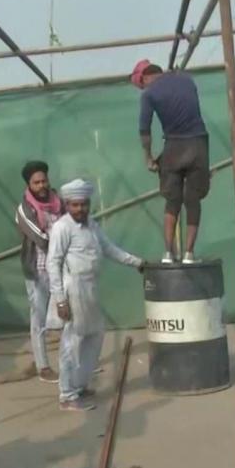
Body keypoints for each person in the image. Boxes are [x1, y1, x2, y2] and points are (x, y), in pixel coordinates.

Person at [46, 178, 143, 411]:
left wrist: (137, 262)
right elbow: (53, 263)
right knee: (72, 340)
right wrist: (60, 300)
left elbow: (108, 248)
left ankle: (79, 385)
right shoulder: (62, 227)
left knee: (95, 335)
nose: (80, 209)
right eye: (75, 205)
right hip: (73, 288)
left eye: (84, 204)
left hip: (90, 287)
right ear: (67, 205)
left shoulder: (91, 224)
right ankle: (67, 395)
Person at [131, 59, 210, 264]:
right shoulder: (187, 80)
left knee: (172, 201)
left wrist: (149, 157)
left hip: (174, 146)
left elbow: (145, 130)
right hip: (198, 143)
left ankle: (169, 253)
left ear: (145, 77)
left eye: (141, 84)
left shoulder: (149, 94)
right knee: (193, 201)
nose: (143, 88)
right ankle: (189, 254)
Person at [15, 160, 64, 383]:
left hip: (61, 269)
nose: (42, 185)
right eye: (37, 182)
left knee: (66, 315)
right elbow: (40, 238)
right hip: (38, 271)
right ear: (29, 184)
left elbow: (68, 226)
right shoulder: (24, 209)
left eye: (44, 180)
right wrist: (63, 243)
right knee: (39, 319)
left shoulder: (58, 201)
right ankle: (43, 367)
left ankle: (70, 362)